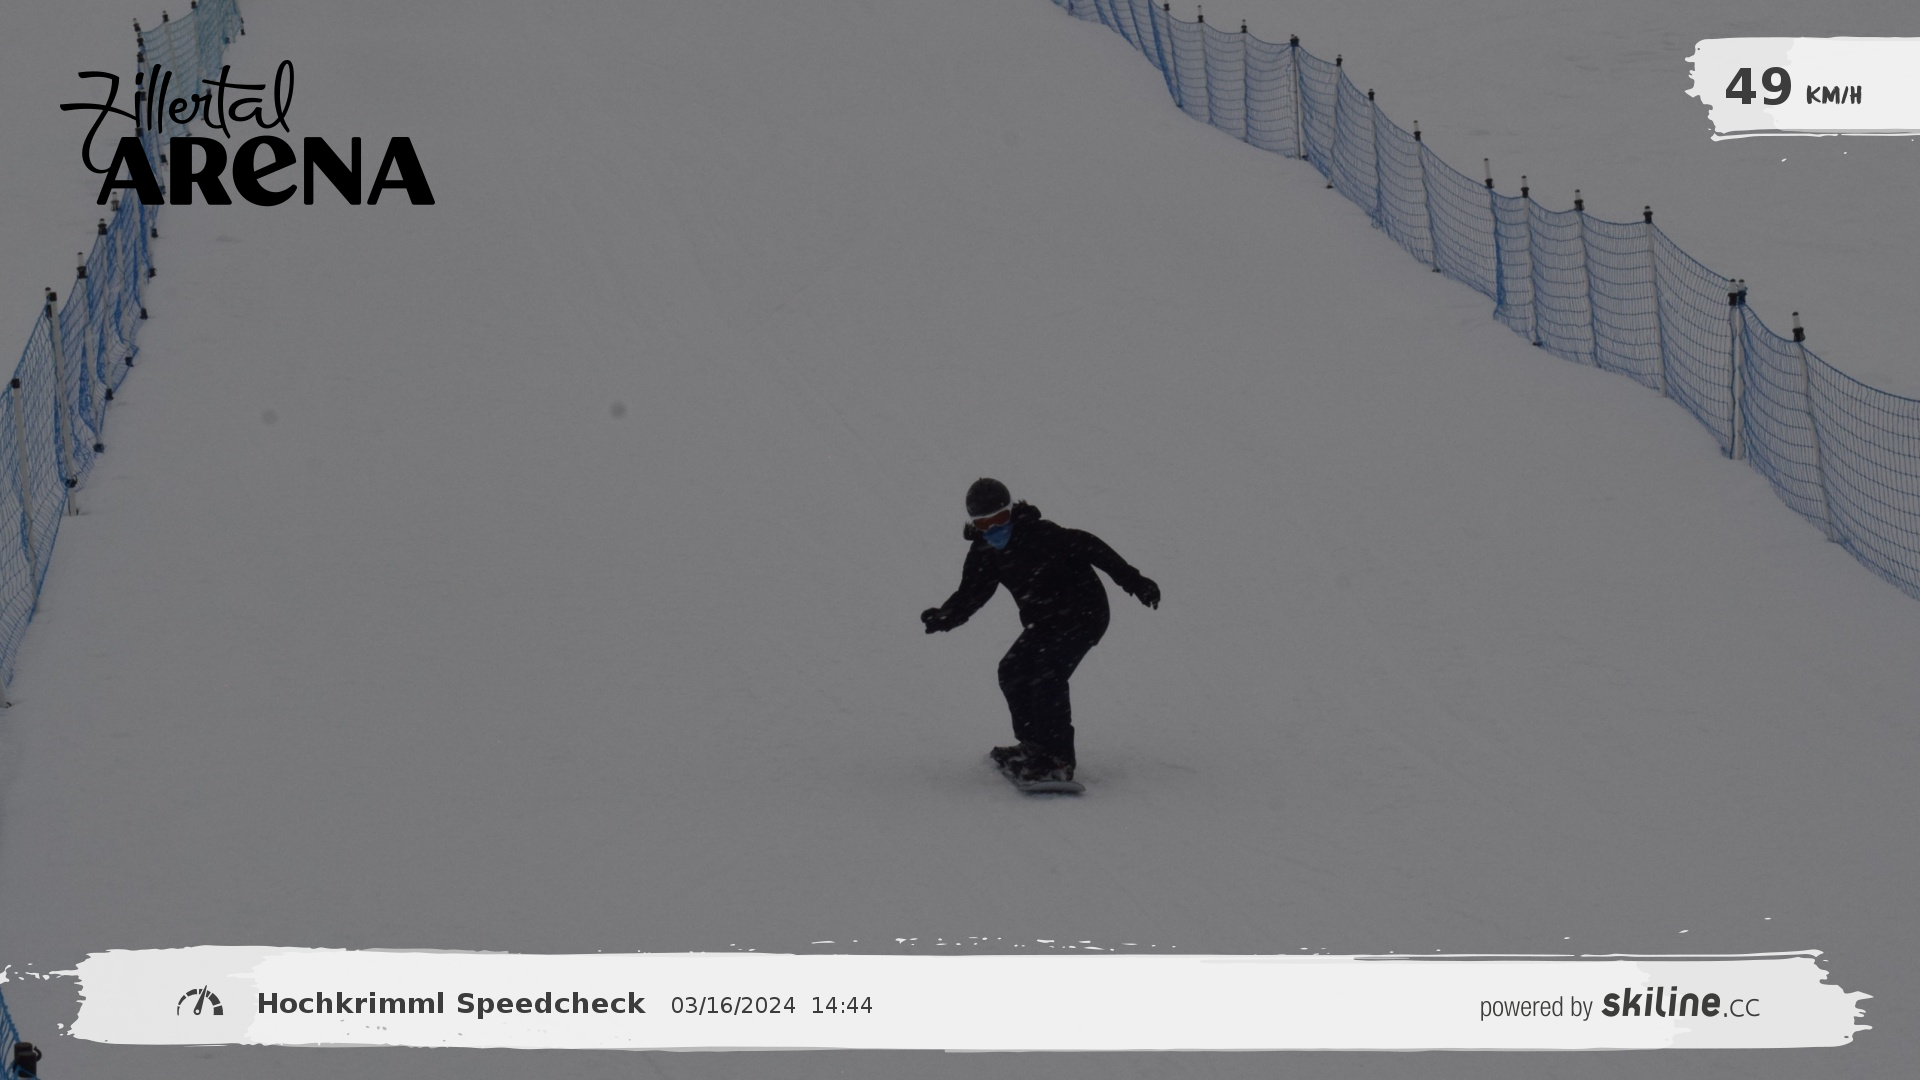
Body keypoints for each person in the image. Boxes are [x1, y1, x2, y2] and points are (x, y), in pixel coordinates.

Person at [920, 478, 1160, 783]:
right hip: (1045, 622)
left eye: (999, 519)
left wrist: (1135, 582)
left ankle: (1057, 759)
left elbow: (1092, 547)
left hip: (1084, 614)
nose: (993, 529)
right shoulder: (985, 552)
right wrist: (946, 616)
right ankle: (1034, 746)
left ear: (1011, 512)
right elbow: (972, 593)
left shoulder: (1042, 534)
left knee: (1047, 676)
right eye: (984, 524)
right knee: (1012, 670)